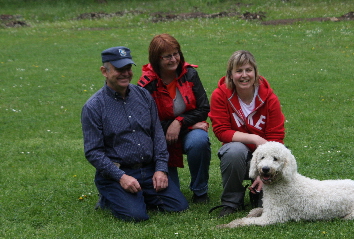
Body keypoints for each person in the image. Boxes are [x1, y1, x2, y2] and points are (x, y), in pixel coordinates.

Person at [81, 46, 189, 222]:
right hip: (119, 172)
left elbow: (157, 135)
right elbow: (93, 152)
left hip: (148, 169)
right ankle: (111, 195)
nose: (125, 73)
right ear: (104, 71)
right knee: (136, 216)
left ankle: (138, 195)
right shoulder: (94, 107)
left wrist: (161, 169)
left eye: (128, 68)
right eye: (119, 69)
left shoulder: (144, 96)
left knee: (179, 206)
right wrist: (121, 177)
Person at [208, 50, 285, 217]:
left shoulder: (269, 98)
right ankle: (231, 201)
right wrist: (255, 138)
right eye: (238, 71)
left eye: (248, 70)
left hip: (265, 156)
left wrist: (264, 173)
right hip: (238, 158)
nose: (244, 75)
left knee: (265, 206)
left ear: (256, 73)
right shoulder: (220, 95)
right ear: (230, 74)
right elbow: (221, 131)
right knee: (234, 150)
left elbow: (276, 138)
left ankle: (258, 192)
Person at [138, 34, 211, 203]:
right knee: (172, 196)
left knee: (200, 140)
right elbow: (146, 123)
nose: (174, 59)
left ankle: (200, 191)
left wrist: (180, 122)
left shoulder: (190, 74)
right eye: (167, 56)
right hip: (160, 138)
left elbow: (204, 108)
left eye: (176, 53)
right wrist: (185, 125)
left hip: (186, 131)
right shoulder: (146, 84)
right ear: (156, 59)